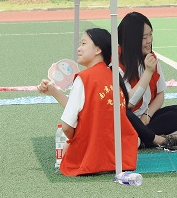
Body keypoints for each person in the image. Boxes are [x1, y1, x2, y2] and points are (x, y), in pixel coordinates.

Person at [37, 28, 138, 176]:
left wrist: (73, 142)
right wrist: (54, 91)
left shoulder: (84, 78)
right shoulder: (114, 77)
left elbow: (67, 126)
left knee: (65, 146)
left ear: (98, 49)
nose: (79, 48)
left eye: (83, 43)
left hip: (91, 158)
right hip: (121, 158)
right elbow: (85, 110)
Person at [118, 12, 177, 148]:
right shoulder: (117, 63)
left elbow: (160, 94)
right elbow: (128, 103)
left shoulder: (150, 58)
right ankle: (156, 139)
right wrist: (148, 72)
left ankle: (140, 138)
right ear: (131, 39)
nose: (149, 40)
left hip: (146, 117)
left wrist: (147, 116)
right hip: (128, 117)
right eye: (144, 37)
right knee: (124, 114)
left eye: (150, 34)